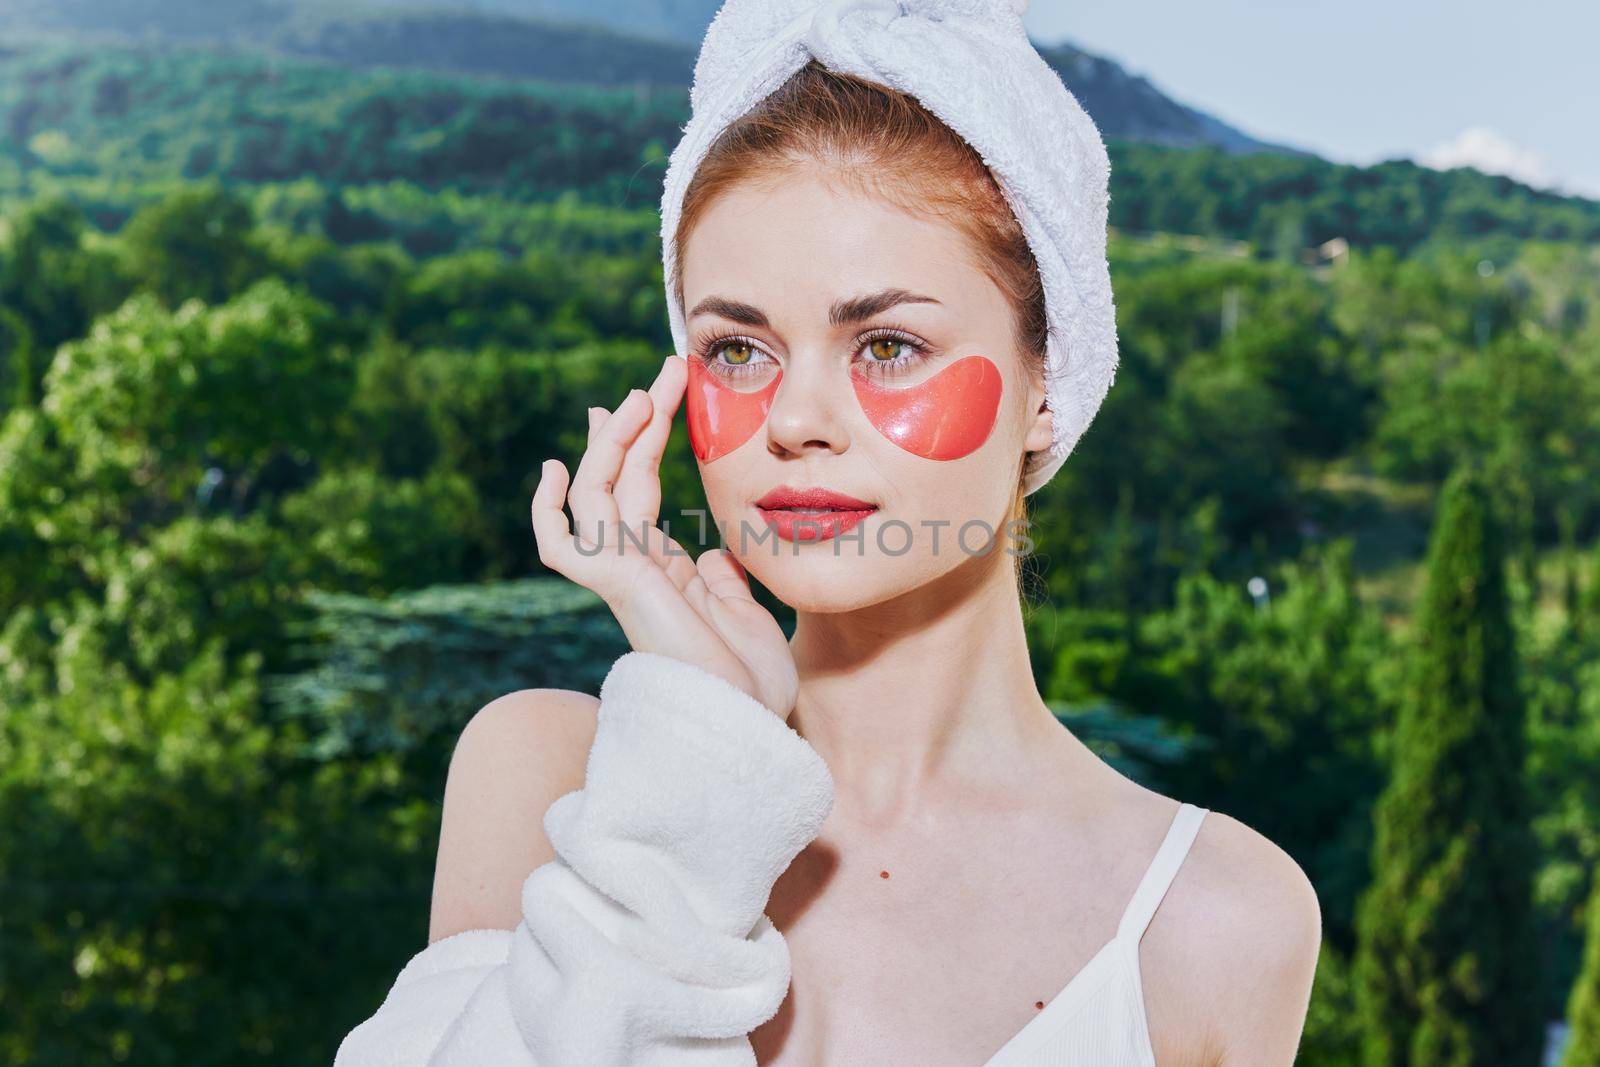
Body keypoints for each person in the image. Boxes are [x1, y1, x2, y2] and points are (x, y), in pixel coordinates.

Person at [335, 5, 1322, 1066]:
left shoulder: (1213, 919)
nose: (795, 417)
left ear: (1048, 381)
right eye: (739, 349)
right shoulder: (545, 778)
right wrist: (698, 752)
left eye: (889, 345)